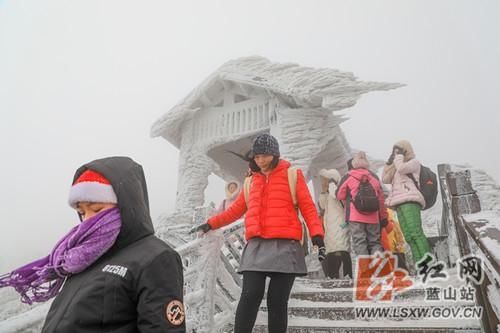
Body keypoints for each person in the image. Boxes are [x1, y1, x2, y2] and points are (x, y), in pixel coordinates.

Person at [0, 156, 185, 333]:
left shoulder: (156, 258)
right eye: (81, 212)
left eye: (96, 209)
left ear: (128, 205)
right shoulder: (84, 255)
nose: (87, 221)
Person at [194, 134, 325, 333]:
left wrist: (317, 235)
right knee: (249, 295)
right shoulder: (250, 182)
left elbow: (308, 207)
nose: (261, 160)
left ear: (275, 154)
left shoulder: (292, 175)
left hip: (286, 246)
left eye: (265, 156)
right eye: (257, 157)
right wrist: (210, 224)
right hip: (256, 246)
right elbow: (235, 211)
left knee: (277, 301)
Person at [382, 140, 431, 264]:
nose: (395, 153)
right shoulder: (396, 164)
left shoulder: (413, 163)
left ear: (406, 150)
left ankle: (430, 265)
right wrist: (389, 163)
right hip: (398, 203)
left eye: (398, 150)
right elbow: (385, 179)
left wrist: (399, 157)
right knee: (409, 237)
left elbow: (402, 169)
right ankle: (421, 265)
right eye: (394, 151)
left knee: (416, 233)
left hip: (410, 200)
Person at [335, 152, 388, 256]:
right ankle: (378, 268)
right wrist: (383, 217)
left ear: (354, 163)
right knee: (375, 242)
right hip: (373, 216)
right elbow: (381, 199)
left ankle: (365, 270)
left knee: (359, 242)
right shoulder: (374, 177)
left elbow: (339, 195)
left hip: (355, 217)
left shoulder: (348, 176)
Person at [318, 168, 352, 279]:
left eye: (327, 180)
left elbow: (335, 195)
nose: (325, 182)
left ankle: (347, 275)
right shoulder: (328, 193)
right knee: (332, 250)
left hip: (340, 224)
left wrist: (332, 184)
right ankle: (333, 276)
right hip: (330, 226)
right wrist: (323, 191)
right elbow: (322, 205)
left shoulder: (338, 190)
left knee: (342, 249)